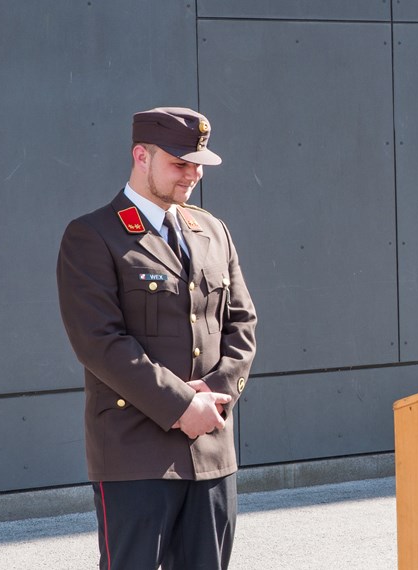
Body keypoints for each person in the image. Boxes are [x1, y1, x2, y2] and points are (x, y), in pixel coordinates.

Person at [56, 107, 258, 569]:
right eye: (180, 163)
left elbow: (242, 323)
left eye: (198, 164)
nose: (192, 175)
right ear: (141, 155)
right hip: (134, 455)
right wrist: (182, 406)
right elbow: (99, 342)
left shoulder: (212, 231)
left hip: (211, 449)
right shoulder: (94, 235)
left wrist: (219, 393)